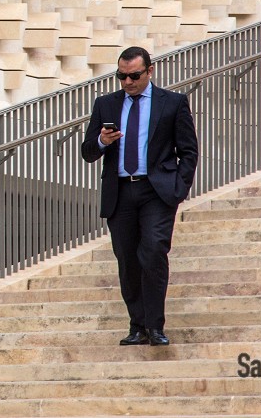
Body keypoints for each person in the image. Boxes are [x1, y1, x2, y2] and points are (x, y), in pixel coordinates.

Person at [80, 46, 198, 346]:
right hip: (120, 192)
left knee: (154, 252)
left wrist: (178, 187)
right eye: (121, 76)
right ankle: (138, 325)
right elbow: (87, 152)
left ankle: (155, 326)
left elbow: (188, 150)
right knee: (128, 260)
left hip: (156, 192)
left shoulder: (171, 103)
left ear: (149, 71)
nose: (127, 82)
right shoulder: (106, 104)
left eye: (134, 75)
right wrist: (101, 141)